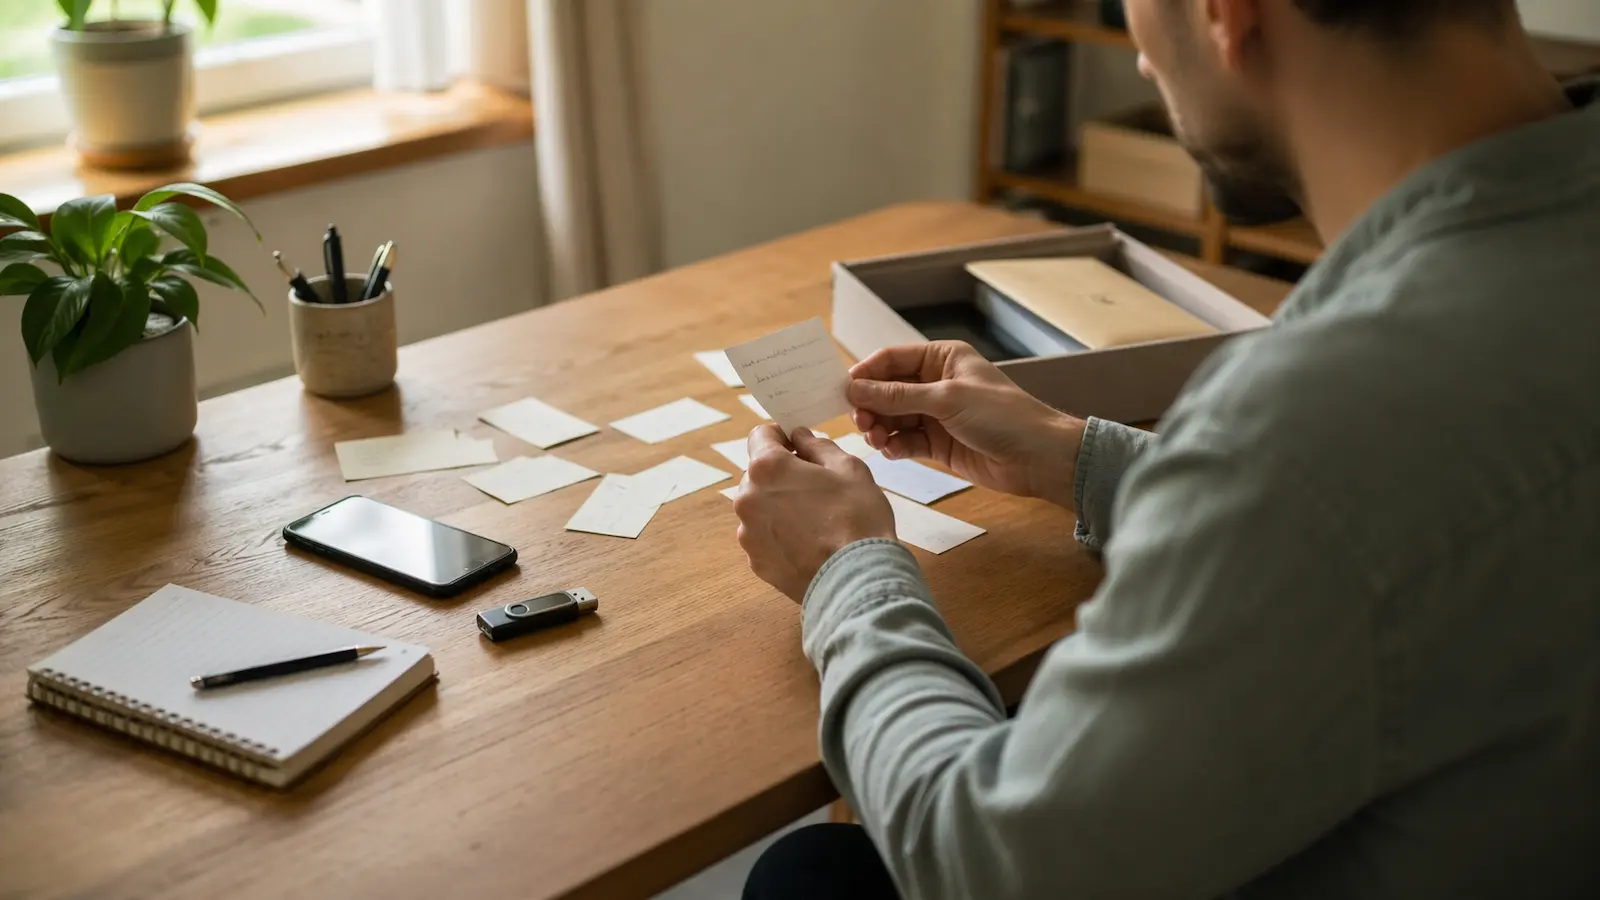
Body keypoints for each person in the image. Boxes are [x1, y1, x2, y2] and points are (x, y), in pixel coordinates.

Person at [733, 0, 1600, 897]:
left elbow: (986, 863)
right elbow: (1392, 523)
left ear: (1226, 12)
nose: (1141, 59)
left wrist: (846, 567)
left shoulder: (1307, 425)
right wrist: (1077, 457)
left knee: (806, 880)